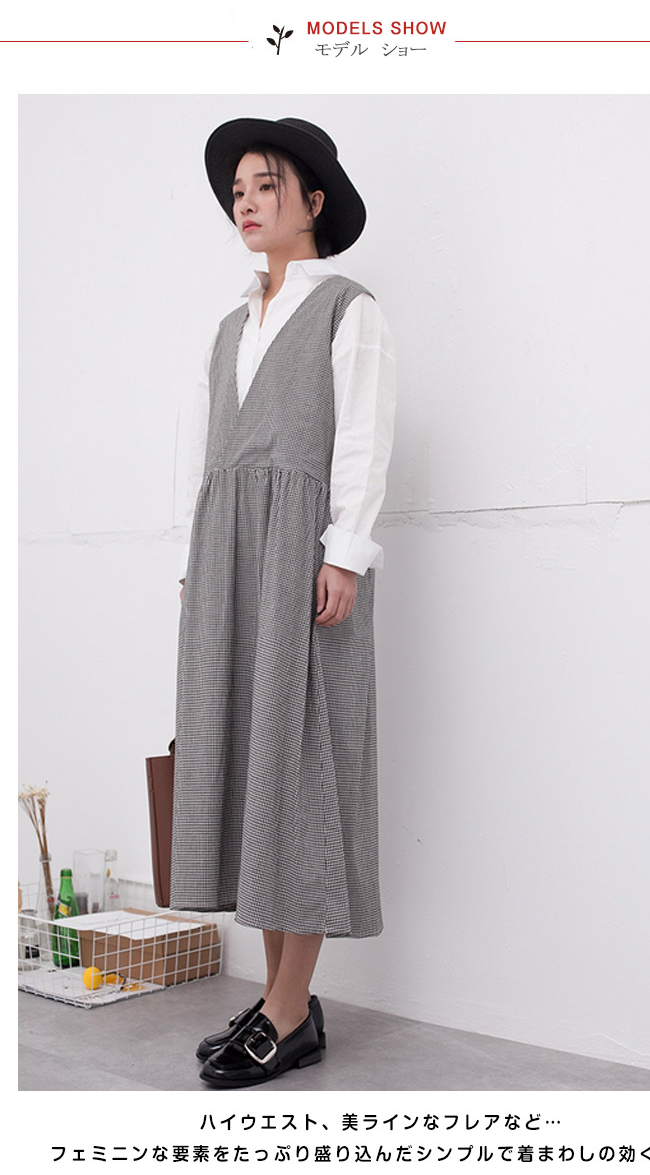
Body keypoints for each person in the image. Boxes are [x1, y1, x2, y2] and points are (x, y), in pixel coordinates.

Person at [169, 117, 396, 1089]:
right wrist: (194, 561)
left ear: (313, 201)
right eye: (238, 191)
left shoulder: (347, 308)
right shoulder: (228, 327)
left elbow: (364, 439)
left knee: (299, 773)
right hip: (227, 558)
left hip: (304, 559)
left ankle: (291, 1010)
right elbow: (202, 458)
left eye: (266, 185)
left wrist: (344, 553)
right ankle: (279, 1002)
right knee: (251, 773)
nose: (247, 203)